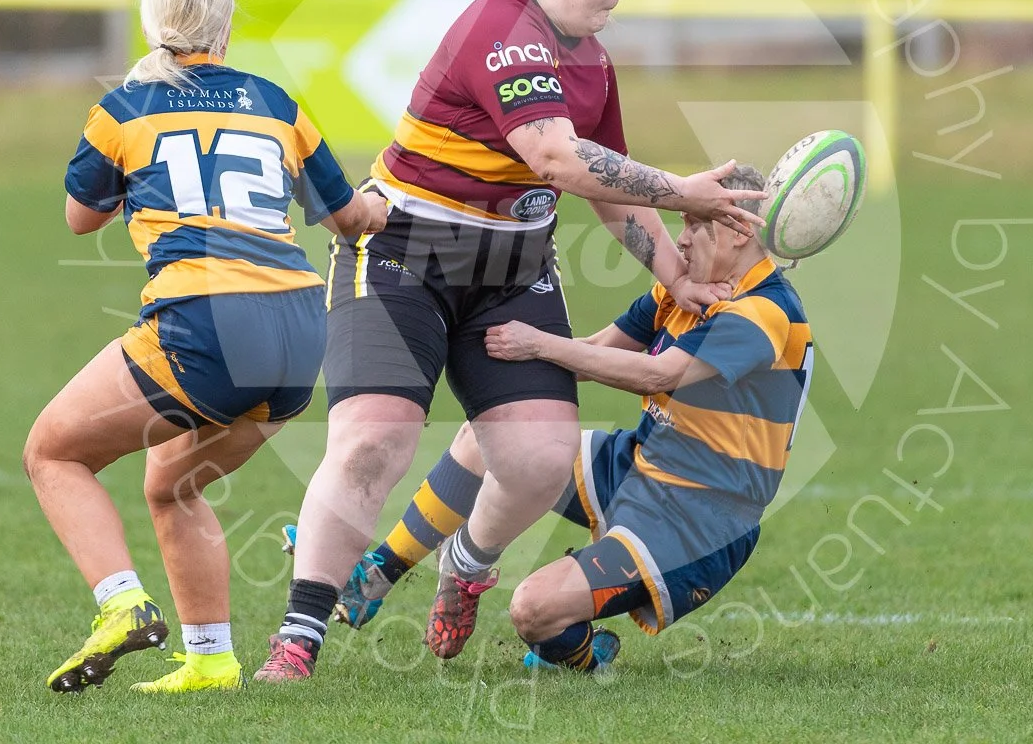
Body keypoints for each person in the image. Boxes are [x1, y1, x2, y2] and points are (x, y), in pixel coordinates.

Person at [254, 0, 766, 682]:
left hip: (512, 271)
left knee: (538, 457)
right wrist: (687, 189)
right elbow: (559, 159)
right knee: (373, 443)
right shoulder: (505, 30)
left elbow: (604, 187)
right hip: (402, 258)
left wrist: (677, 273)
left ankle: (465, 565)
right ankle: (299, 637)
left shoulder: (591, 60)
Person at [22, 0, 386, 694]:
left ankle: (122, 606)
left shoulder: (124, 106)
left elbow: (78, 217)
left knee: (53, 455)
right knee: (172, 485)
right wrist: (380, 201)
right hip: (297, 331)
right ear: (224, 29)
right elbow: (350, 220)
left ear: (152, 25)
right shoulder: (277, 103)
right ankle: (212, 659)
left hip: (206, 323)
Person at [334, 165, 813, 672]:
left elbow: (656, 375)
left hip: (701, 519)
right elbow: (593, 352)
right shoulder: (687, 291)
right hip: (636, 464)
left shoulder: (763, 313)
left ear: (739, 232)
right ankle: (384, 572)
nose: (683, 240)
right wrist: (494, 375)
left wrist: (539, 344)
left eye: (697, 225)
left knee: (533, 610)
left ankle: (581, 652)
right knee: (497, 430)